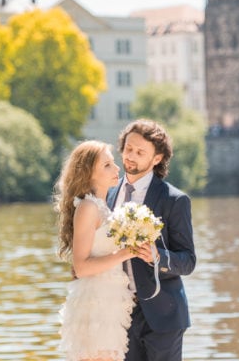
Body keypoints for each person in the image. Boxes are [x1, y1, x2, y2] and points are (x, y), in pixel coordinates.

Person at [107, 119, 197, 361]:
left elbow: (188, 261)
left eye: (139, 152)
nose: (130, 156)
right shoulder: (107, 194)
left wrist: (158, 257)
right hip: (119, 314)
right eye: (128, 149)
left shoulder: (174, 200)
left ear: (157, 158)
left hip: (164, 315)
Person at [54, 140, 136, 361]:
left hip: (109, 299)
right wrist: (125, 253)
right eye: (107, 165)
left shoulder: (102, 206)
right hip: (95, 302)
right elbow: (80, 267)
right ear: (89, 173)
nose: (117, 168)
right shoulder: (88, 208)